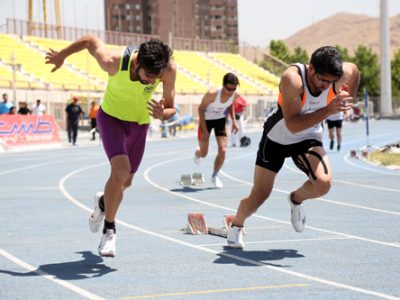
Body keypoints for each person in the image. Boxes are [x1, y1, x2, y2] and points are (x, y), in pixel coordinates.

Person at [45, 35, 176, 257]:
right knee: (121, 171)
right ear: (136, 64)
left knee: (125, 182)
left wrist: (162, 114)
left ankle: (103, 201)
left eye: (157, 78)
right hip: (112, 119)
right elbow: (90, 41)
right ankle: (109, 229)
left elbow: (171, 108)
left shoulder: (168, 69)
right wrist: (62, 56)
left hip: (140, 125)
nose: (152, 81)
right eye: (148, 77)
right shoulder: (114, 61)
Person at [226, 46, 360, 249]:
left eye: (331, 82)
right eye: (323, 80)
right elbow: (293, 124)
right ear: (311, 69)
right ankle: (236, 225)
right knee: (260, 194)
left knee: (323, 183)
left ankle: (295, 200)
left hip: (308, 137)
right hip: (278, 137)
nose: (326, 86)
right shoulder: (293, 79)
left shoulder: (340, 75)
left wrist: (350, 99)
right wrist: (328, 110)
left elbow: (354, 71)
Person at [194, 73, 239, 188]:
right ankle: (198, 153)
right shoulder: (212, 94)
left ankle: (215, 175)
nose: (230, 92)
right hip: (206, 120)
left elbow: (230, 105)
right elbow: (200, 109)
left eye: (233, 89)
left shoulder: (235, 94)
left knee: (223, 150)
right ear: (223, 85)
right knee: (204, 154)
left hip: (220, 120)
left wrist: (234, 121)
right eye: (228, 89)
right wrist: (204, 131)